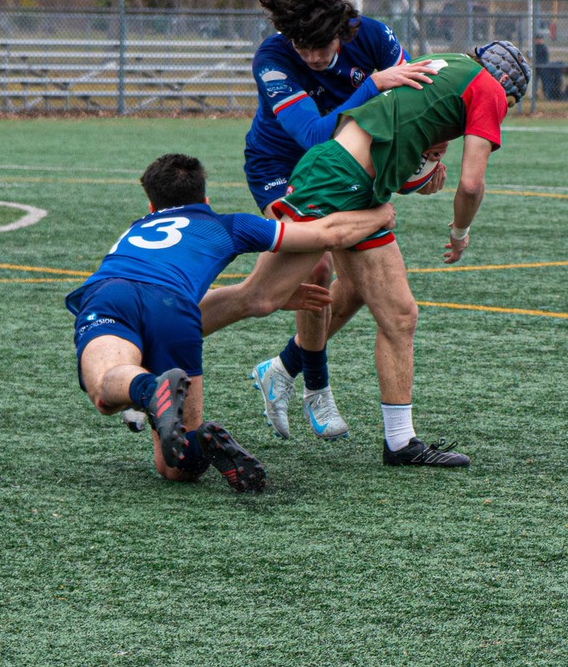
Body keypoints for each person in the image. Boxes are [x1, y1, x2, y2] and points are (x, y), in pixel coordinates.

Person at [200, 39, 532, 469]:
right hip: (337, 180)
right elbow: (471, 184)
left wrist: (421, 165)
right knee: (259, 297)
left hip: (359, 184)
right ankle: (151, 343)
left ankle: (399, 442)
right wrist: (460, 231)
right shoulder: (487, 88)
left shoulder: (446, 64)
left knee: (399, 314)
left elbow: (400, 135)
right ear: (506, 83)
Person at [68, 153, 395, 492]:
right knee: (177, 467)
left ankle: (151, 390)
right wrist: (380, 212)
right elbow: (327, 234)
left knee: (107, 390)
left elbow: (148, 284)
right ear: (206, 199)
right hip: (177, 311)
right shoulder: (231, 225)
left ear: (151, 206)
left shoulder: (137, 228)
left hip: (110, 294)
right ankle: (198, 435)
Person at [241, 0, 442, 441]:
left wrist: (433, 154)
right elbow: (312, 136)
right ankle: (317, 387)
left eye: (321, 46)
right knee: (313, 271)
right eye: (301, 46)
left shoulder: (372, 36)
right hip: (284, 169)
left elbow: (422, 95)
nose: (311, 56)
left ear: (342, 30)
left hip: (348, 173)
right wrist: (374, 84)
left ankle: (281, 368)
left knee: (362, 287)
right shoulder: (271, 58)